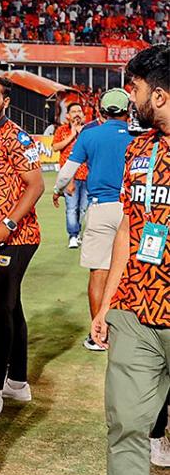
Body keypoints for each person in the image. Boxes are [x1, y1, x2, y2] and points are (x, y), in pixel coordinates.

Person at [89, 44, 170, 475]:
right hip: (137, 311)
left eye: (135, 90)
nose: (129, 99)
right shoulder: (138, 149)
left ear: (158, 95)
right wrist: (107, 304)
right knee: (126, 425)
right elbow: (126, 230)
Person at [0, 76, 45, 420]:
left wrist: (9, 223)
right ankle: (17, 381)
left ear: (6, 102)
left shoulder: (16, 137)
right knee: (11, 306)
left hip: (17, 236)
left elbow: (36, 185)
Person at [52, 89, 133, 353]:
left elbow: (67, 173)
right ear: (128, 111)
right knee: (132, 271)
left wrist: (57, 189)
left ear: (100, 112)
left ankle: (97, 334)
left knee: (99, 272)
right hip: (131, 208)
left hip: (100, 208)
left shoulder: (90, 134)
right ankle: (129, 335)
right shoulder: (138, 136)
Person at [52, 101, 90, 248]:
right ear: (67, 116)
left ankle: (78, 233)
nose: (77, 114)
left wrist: (79, 133)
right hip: (69, 177)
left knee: (83, 208)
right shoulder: (62, 130)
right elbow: (55, 147)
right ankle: (73, 235)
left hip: (87, 175)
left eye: (79, 111)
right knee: (71, 207)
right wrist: (72, 135)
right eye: (74, 111)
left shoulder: (88, 131)